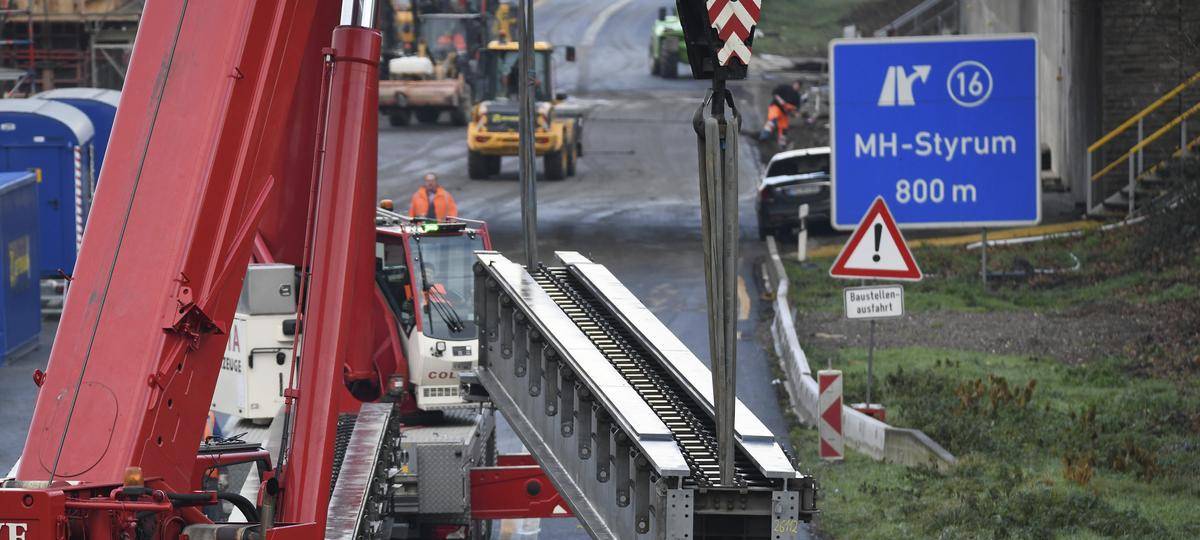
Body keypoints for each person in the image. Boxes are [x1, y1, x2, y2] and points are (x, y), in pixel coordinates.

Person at [760, 81, 804, 147]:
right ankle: (764, 137)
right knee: (772, 120)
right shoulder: (785, 87)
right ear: (794, 84)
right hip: (775, 107)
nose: (797, 87)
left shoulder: (797, 97)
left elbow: (795, 109)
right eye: (796, 85)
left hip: (784, 113)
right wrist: (780, 100)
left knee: (784, 128)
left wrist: (795, 113)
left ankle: (782, 145)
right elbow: (775, 92)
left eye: (799, 86)